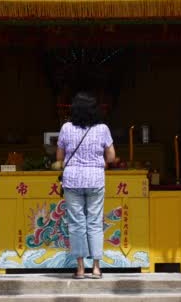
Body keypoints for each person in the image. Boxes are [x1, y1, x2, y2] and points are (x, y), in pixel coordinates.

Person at [56, 92, 116, 279]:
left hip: (72, 179)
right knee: (95, 223)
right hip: (95, 179)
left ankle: (80, 268)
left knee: (76, 224)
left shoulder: (66, 128)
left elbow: (59, 158)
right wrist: (99, 162)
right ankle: (96, 268)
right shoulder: (103, 129)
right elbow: (112, 157)